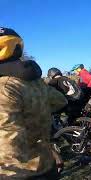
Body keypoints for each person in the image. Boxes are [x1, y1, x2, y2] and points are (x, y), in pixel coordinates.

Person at [0, 27, 67, 179]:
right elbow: (60, 101)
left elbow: (8, 144)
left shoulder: (4, 86)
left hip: (18, 172)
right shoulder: (36, 82)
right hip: (46, 162)